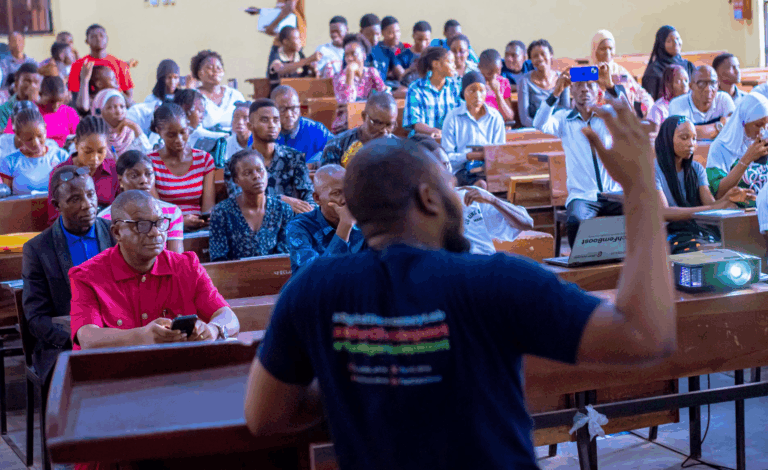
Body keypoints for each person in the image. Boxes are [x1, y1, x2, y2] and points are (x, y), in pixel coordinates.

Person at [245, 102, 678, 470]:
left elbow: (264, 416)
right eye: (449, 184)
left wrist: (373, 382)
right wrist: (640, 185)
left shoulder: (313, 289)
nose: (459, 194)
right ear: (429, 198)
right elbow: (644, 336)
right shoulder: (493, 280)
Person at [69, 189, 240, 351]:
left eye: (159, 223)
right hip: (117, 375)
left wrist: (214, 329)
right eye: (142, 225)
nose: (156, 233)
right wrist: (142, 335)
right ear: (117, 232)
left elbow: (228, 316)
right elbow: (87, 338)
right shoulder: (87, 276)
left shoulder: (186, 266)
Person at [23, 167, 114, 384]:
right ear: (57, 205)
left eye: (91, 194)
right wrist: (83, 337)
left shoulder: (115, 233)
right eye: (74, 199)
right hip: (66, 343)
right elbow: (36, 319)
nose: (87, 204)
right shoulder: (38, 249)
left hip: (119, 334)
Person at [533, 66, 624, 245]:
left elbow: (627, 114)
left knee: (640, 209)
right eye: (579, 85)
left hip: (613, 193)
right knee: (576, 221)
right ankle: (581, 269)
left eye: (590, 85)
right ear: (572, 90)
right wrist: (556, 91)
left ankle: (629, 262)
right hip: (583, 195)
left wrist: (611, 86)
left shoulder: (608, 115)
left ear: (598, 90)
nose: (584, 89)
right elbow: (539, 123)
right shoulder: (563, 119)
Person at [654, 116, 753, 253]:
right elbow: (664, 212)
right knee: (699, 248)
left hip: (695, 229)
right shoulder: (652, 170)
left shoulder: (697, 169)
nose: (691, 144)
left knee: (735, 244)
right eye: (684, 138)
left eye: (694, 138)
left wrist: (728, 198)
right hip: (666, 234)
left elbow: (711, 206)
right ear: (667, 139)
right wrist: (714, 206)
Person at [209, 150, 295, 261]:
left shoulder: (283, 210)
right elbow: (218, 259)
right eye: (247, 173)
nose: (256, 176)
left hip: (275, 275)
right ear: (236, 181)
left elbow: (284, 256)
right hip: (234, 276)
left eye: (260, 170)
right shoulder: (222, 212)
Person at [98, 150, 184, 253]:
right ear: (120, 180)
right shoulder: (104, 218)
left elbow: (176, 258)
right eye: (134, 176)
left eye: (148, 174)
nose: (144, 180)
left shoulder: (171, 212)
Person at [286, 164, 364, 273]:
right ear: (317, 198)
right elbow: (315, 277)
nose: (345, 200)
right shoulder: (299, 227)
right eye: (336, 193)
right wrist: (344, 226)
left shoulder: (364, 221)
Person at [149, 103, 216, 228]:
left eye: (183, 132)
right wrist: (179, 222)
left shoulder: (204, 160)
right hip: (165, 229)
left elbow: (208, 209)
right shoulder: (150, 164)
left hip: (199, 226)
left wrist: (203, 220)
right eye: (171, 135)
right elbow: (154, 212)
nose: (179, 139)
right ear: (158, 132)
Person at [47, 116, 119, 224]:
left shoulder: (113, 169)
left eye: (101, 151)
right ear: (76, 144)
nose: (94, 158)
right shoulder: (60, 174)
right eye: (88, 151)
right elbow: (54, 218)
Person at [248, 99, 314, 212]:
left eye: (276, 120)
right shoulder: (237, 163)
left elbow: (308, 197)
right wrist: (281, 200)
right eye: (265, 120)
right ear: (250, 126)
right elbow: (240, 202)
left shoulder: (294, 157)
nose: (271, 125)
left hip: (293, 225)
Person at [441, 71, 506, 187]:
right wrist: (468, 156)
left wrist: (485, 156)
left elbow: (500, 151)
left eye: (481, 90)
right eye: (472, 90)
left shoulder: (495, 117)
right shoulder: (453, 118)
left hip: (490, 168)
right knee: (480, 183)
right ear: (464, 94)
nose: (477, 95)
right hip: (461, 171)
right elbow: (447, 157)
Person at [706, 93, 768, 202]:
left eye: (767, 125)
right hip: (738, 212)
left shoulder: (764, 142)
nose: (763, 130)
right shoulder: (721, 147)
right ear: (743, 122)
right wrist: (747, 159)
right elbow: (719, 194)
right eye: (758, 125)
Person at [0, 108, 68, 194]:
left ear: (45, 129)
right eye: (29, 139)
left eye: (40, 136)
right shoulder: (9, 163)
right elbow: (4, 199)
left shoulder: (61, 156)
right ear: (18, 136)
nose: (36, 143)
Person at [322, 92, 397, 167]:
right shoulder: (337, 146)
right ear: (364, 116)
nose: (384, 131)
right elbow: (327, 177)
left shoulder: (399, 150)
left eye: (389, 125)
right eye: (378, 123)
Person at [590, 30, 653, 117]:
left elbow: (639, 92)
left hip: (621, 120)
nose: (607, 53)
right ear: (595, 50)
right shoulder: (589, 73)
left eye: (610, 48)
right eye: (603, 49)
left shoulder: (620, 71)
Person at [332, 33, 388, 132]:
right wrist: (350, 74)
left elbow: (386, 97)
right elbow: (349, 104)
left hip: (371, 121)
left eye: (353, 54)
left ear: (363, 56)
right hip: (345, 126)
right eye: (346, 55)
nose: (349, 58)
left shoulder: (371, 72)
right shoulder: (339, 77)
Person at [403, 47, 461, 138]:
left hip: (451, 139)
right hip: (422, 141)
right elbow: (416, 123)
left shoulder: (455, 86)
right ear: (436, 64)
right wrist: (435, 132)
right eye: (450, 62)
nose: (455, 66)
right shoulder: (416, 88)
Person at [68, 24, 133, 102]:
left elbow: (129, 96)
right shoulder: (78, 65)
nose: (98, 39)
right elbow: (75, 95)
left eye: (101, 35)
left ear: (107, 39)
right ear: (86, 41)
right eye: (93, 36)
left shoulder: (121, 65)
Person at [668, 65, 735, 140]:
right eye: (701, 83)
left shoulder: (723, 99)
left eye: (713, 83)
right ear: (691, 86)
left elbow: (734, 125)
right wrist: (720, 126)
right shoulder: (677, 104)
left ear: (718, 84)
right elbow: (684, 133)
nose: (708, 89)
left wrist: (698, 131)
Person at [270, 85, 333, 162]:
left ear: (299, 107)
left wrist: (316, 161)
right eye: (282, 109)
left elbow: (337, 149)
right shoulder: (264, 132)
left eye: (293, 108)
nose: (289, 114)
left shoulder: (315, 130)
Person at [0, 101, 58, 169]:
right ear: (14, 128)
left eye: (33, 119)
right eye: (21, 122)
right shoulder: (0, 145)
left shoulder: (51, 147)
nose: (28, 126)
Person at [517, 39, 570, 128]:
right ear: (531, 60)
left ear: (551, 54)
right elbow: (525, 118)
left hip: (558, 128)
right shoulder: (525, 81)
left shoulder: (562, 78)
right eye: (535, 56)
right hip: (534, 130)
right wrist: (542, 129)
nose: (540, 58)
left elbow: (566, 110)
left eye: (543, 54)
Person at [190, 50, 246, 131]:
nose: (215, 71)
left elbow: (247, 122)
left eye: (219, 68)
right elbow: (195, 130)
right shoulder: (193, 97)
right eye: (210, 68)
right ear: (199, 73)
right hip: (204, 141)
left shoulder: (235, 95)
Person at [641, 25, 696, 101]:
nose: (676, 43)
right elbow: (649, 101)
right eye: (670, 40)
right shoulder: (654, 71)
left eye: (677, 39)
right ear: (662, 45)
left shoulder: (688, 65)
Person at [91, 88, 151, 155]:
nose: (119, 112)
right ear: (99, 111)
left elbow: (148, 155)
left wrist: (136, 127)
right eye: (111, 107)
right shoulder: (92, 135)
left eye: (122, 106)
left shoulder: (130, 133)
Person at [0, 62, 40, 132]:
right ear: (17, 82)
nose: (32, 86)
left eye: (36, 82)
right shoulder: (5, 109)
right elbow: (0, 135)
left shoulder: (42, 105)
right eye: (27, 81)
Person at [361, 15, 403, 83]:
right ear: (361, 32)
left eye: (377, 34)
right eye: (369, 34)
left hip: (381, 90)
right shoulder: (354, 51)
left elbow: (401, 73)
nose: (374, 38)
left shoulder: (386, 51)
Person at [646, 64, 689, 131]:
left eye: (686, 81)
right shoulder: (659, 109)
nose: (684, 85)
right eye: (679, 82)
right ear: (668, 85)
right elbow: (653, 136)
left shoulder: (691, 105)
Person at [478, 49, 514, 122]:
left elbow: (509, 117)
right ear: (479, 67)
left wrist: (497, 93)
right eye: (489, 73)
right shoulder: (475, 83)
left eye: (498, 72)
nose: (494, 77)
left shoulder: (504, 83)